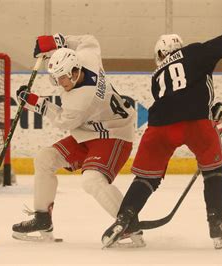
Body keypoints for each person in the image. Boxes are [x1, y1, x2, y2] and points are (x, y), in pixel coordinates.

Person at [101, 29, 222, 249]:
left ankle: (124, 219)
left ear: (160, 54)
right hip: (196, 124)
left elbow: (179, 101)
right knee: (213, 170)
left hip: (159, 127)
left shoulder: (157, 75)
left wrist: (221, 112)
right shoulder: (195, 53)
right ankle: (216, 224)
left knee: (146, 179)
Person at [11, 33, 144, 247]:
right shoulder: (87, 57)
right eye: (56, 78)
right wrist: (58, 41)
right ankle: (43, 219)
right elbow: (89, 40)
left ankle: (129, 224)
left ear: (75, 71)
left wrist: (37, 103)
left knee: (91, 180)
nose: (60, 83)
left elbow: (64, 122)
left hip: (114, 134)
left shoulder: (81, 98)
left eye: (63, 77)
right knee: (45, 159)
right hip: (89, 132)